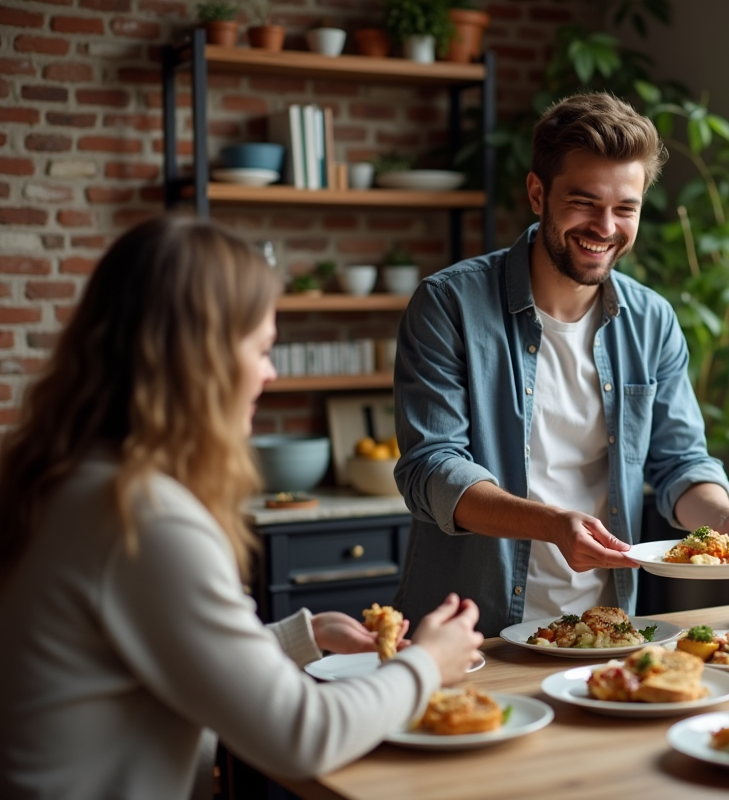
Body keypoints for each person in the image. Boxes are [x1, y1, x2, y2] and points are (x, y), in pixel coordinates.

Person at [0, 216, 484, 799]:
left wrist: (298, 637)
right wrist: (429, 662)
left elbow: (145, 656)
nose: (270, 373)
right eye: (260, 349)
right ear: (196, 361)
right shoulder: (145, 518)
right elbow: (301, 735)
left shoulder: (59, 476)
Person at [391, 92, 729, 636]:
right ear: (537, 193)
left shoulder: (652, 320)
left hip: (605, 629)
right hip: (466, 634)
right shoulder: (449, 304)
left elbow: (679, 465)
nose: (605, 227)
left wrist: (724, 518)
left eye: (626, 208)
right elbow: (431, 469)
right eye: (583, 202)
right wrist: (553, 525)